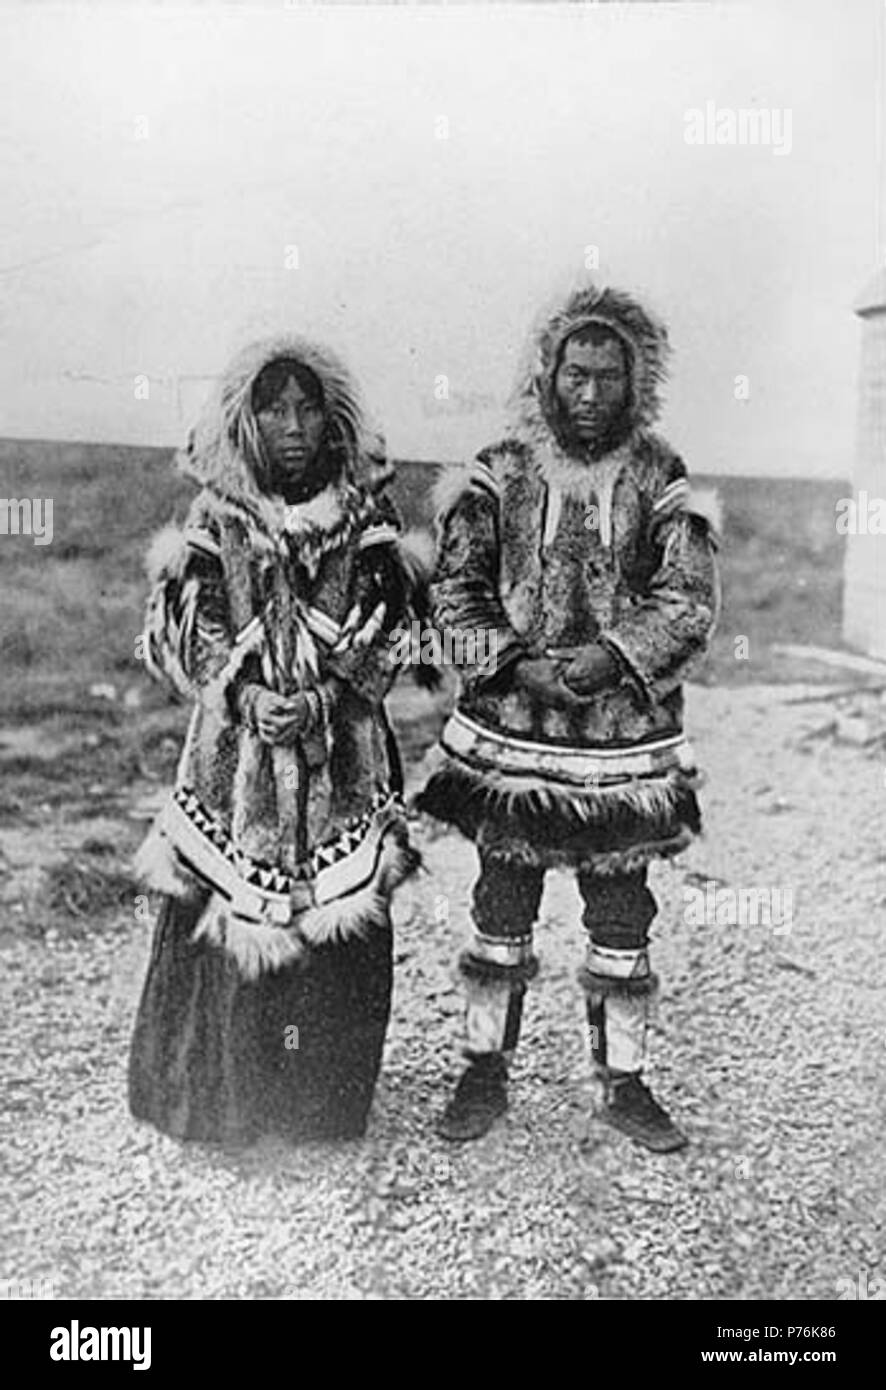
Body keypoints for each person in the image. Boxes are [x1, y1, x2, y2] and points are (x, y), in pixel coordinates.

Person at [417, 283, 720, 1152]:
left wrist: (612, 658)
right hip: (513, 728)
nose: (590, 395)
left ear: (637, 383)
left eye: (608, 378)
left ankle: (623, 1081)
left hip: (623, 737)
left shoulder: (661, 475)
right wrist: (518, 663)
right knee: (501, 896)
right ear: (545, 374)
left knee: (622, 907)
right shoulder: (499, 471)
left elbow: (688, 599)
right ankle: (482, 1070)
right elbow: (456, 590)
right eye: (575, 374)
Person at [129, 335, 425, 1145]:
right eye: (273, 406)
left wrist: (327, 696)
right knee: (229, 908)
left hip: (342, 758)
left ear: (334, 417)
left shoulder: (365, 516)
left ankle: (316, 1106)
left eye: (307, 406)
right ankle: (220, 1102)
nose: (292, 423)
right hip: (234, 763)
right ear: (245, 417)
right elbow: (189, 629)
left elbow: (391, 626)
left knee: (331, 912)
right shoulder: (215, 516)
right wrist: (247, 694)